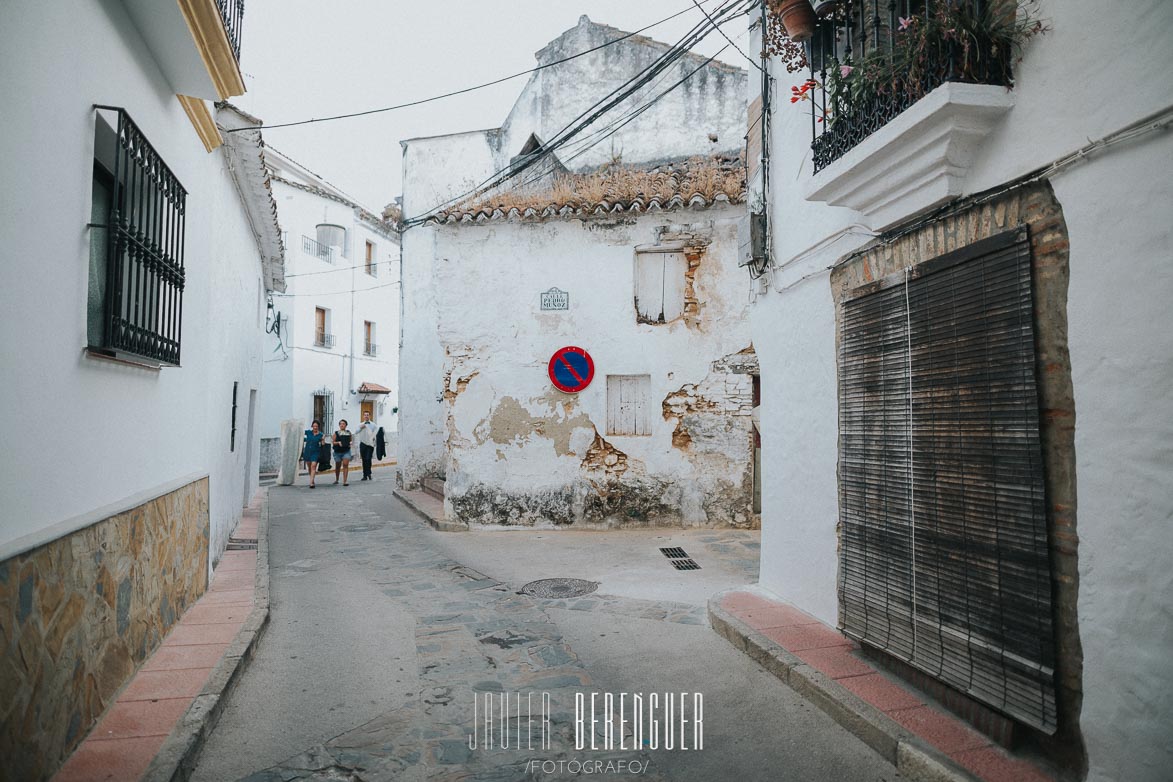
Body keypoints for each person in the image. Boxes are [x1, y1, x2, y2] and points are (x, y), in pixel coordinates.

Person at [301, 420, 325, 488]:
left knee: (313, 466)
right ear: (312, 426)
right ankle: (312, 479)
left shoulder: (320, 435)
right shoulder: (308, 432)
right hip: (308, 451)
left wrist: (323, 439)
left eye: (316, 426)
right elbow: (300, 432)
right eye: (314, 426)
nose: (315, 427)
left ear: (318, 427)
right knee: (309, 467)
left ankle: (311, 483)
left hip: (316, 452)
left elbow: (323, 444)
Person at [355, 411, 377, 481]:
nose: (366, 416)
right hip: (363, 444)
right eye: (365, 415)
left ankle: (369, 473)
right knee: (364, 459)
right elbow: (356, 432)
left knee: (368, 459)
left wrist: (373, 440)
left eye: (367, 415)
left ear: (369, 416)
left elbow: (375, 433)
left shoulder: (373, 425)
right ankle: (365, 475)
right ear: (363, 416)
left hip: (370, 444)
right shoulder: (360, 424)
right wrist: (361, 427)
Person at [331, 419, 353, 486]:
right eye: (341, 424)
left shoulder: (349, 433)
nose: (342, 425)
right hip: (338, 451)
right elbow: (333, 442)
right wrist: (338, 443)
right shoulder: (336, 433)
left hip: (346, 451)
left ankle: (345, 481)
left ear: (346, 425)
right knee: (338, 465)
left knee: (345, 465)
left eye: (343, 424)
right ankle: (337, 479)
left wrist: (350, 443)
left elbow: (351, 440)